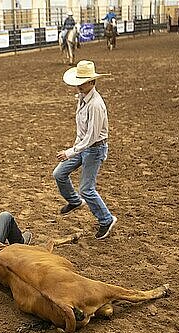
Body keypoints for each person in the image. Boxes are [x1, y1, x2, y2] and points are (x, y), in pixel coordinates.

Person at [54, 60, 117, 240]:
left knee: (87, 189)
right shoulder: (82, 99)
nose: (79, 85)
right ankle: (74, 202)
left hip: (94, 149)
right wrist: (75, 147)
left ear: (92, 82)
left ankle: (106, 219)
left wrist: (70, 151)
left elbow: (92, 137)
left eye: (83, 82)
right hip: (83, 147)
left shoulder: (96, 105)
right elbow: (82, 131)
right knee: (59, 174)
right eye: (78, 81)